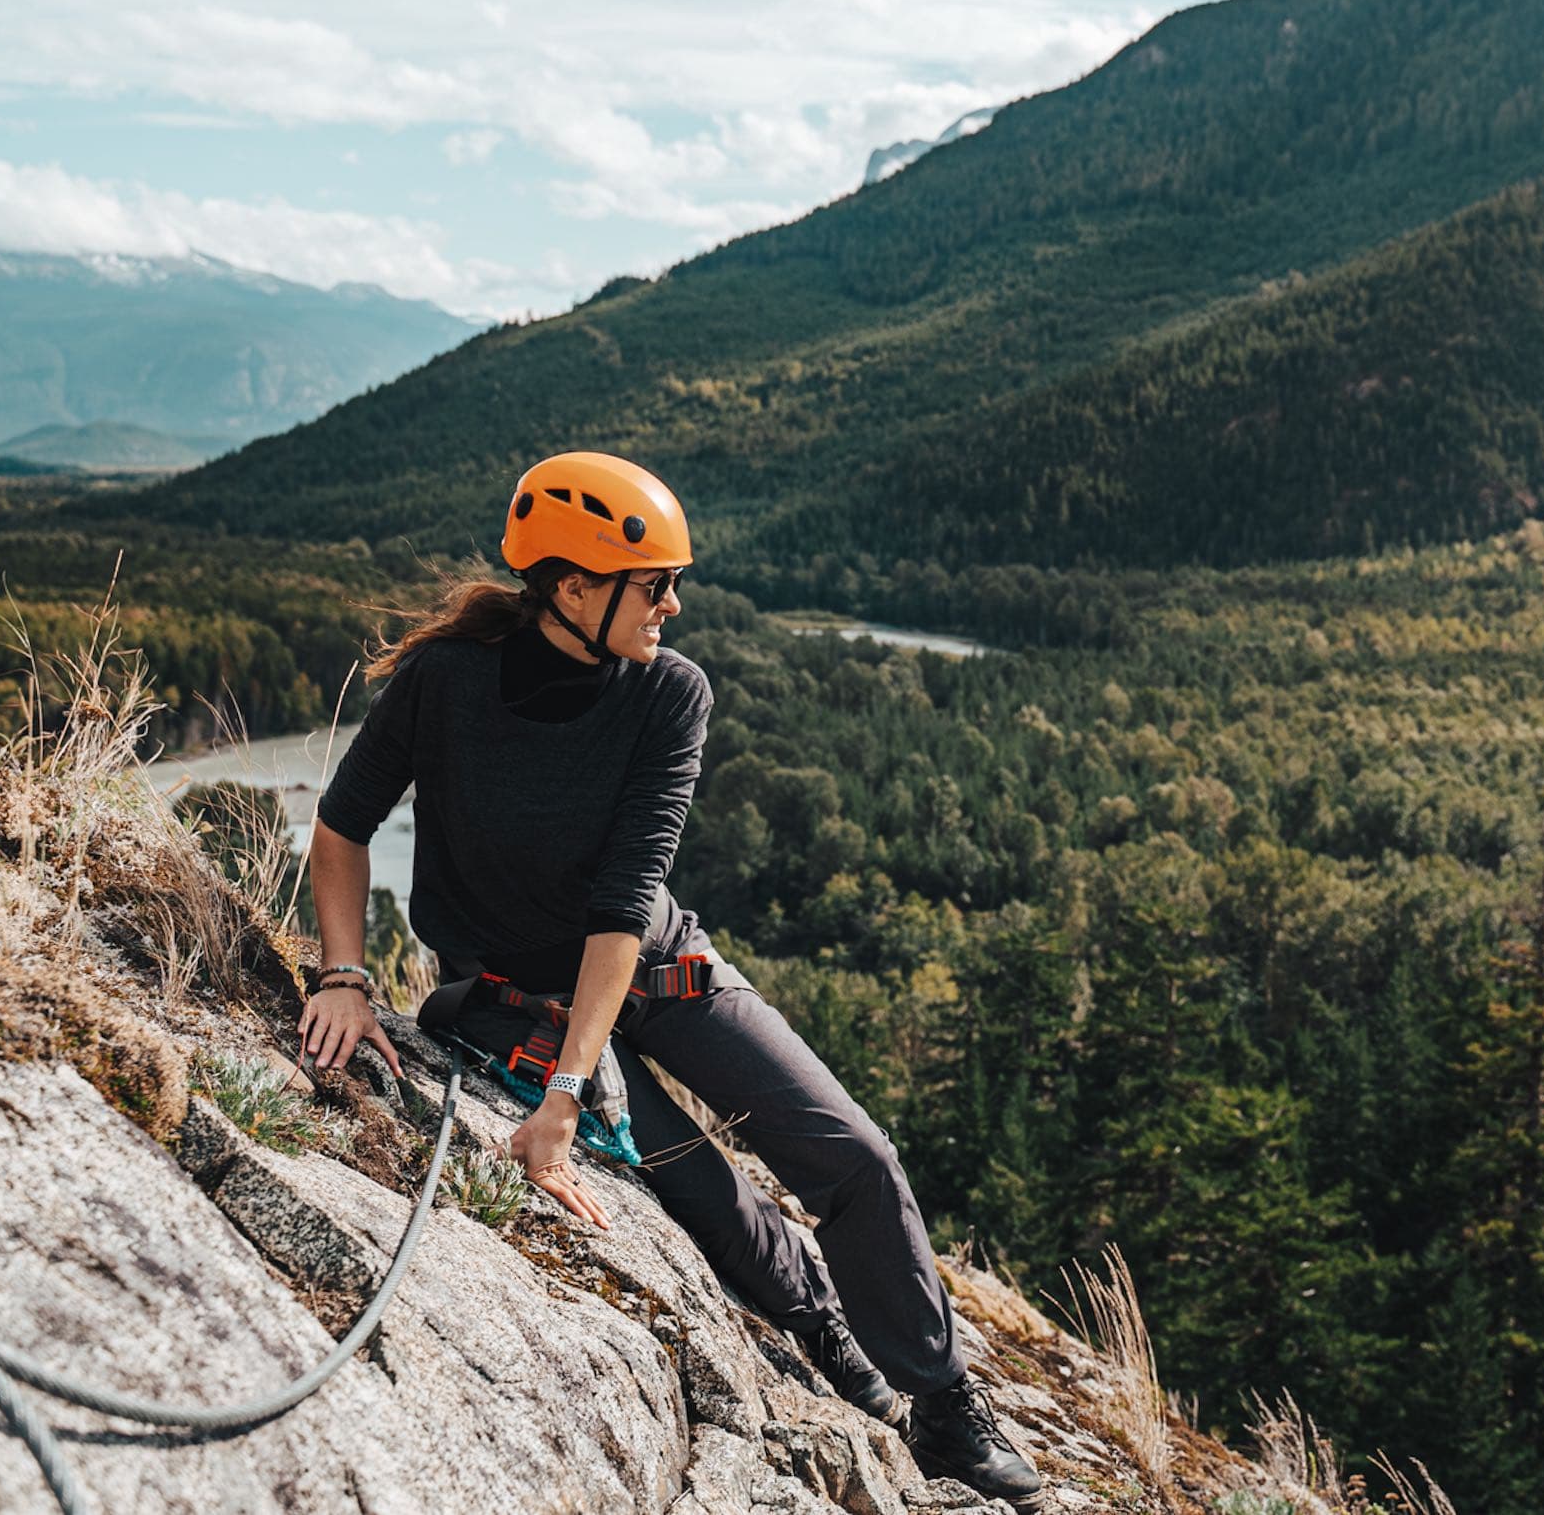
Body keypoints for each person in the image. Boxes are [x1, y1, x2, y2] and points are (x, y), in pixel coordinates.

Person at [293, 451, 1042, 1506]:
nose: (674, 606)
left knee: (853, 1156)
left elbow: (621, 903)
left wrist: (565, 1094)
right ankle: (828, 1334)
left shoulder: (667, 695)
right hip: (512, 991)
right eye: (655, 587)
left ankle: (945, 1404)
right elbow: (340, 828)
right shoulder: (446, 682)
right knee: (703, 1192)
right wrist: (342, 977)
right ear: (574, 586)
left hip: (652, 964)